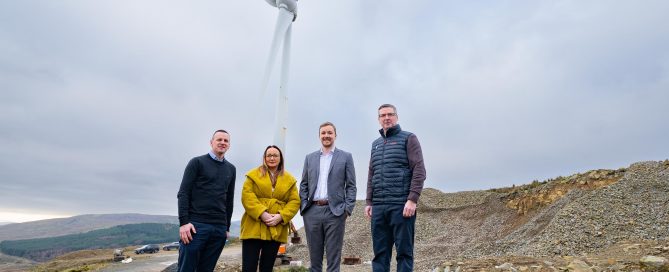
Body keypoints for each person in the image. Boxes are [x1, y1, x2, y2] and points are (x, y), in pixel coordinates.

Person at [365, 104, 426, 272]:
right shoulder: (375, 144)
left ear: (396, 117)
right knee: (380, 254)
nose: (386, 118)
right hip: (379, 208)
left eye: (390, 114)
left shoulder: (409, 138)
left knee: (404, 253)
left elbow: (419, 170)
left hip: (401, 206)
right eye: (382, 115)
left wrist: (412, 199)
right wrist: (369, 202)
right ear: (378, 119)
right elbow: (372, 174)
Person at [300, 122, 357, 272]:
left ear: (335, 135)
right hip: (312, 212)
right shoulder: (309, 158)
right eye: (323, 133)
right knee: (315, 260)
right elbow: (304, 184)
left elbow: (351, 186)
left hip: (335, 212)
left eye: (329, 133)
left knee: (333, 259)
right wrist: (304, 207)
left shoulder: (346, 157)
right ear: (319, 136)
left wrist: (347, 209)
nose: (326, 135)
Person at [177, 129, 236, 272]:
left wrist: (226, 227)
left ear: (229, 145)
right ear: (211, 142)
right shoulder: (197, 162)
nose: (222, 143)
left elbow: (229, 199)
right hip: (195, 226)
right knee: (187, 269)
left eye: (226, 140)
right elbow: (183, 193)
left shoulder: (231, 169)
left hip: (218, 229)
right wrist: (184, 223)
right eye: (219, 140)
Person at [240, 145, 300, 272]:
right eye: (269, 155)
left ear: (280, 158)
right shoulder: (253, 175)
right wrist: (262, 213)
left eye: (275, 155)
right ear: (264, 158)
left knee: (267, 268)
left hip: (276, 228)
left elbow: (294, 201)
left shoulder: (289, 179)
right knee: (248, 267)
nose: (272, 158)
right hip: (254, 226)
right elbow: (247, 196)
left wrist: (281, 216)